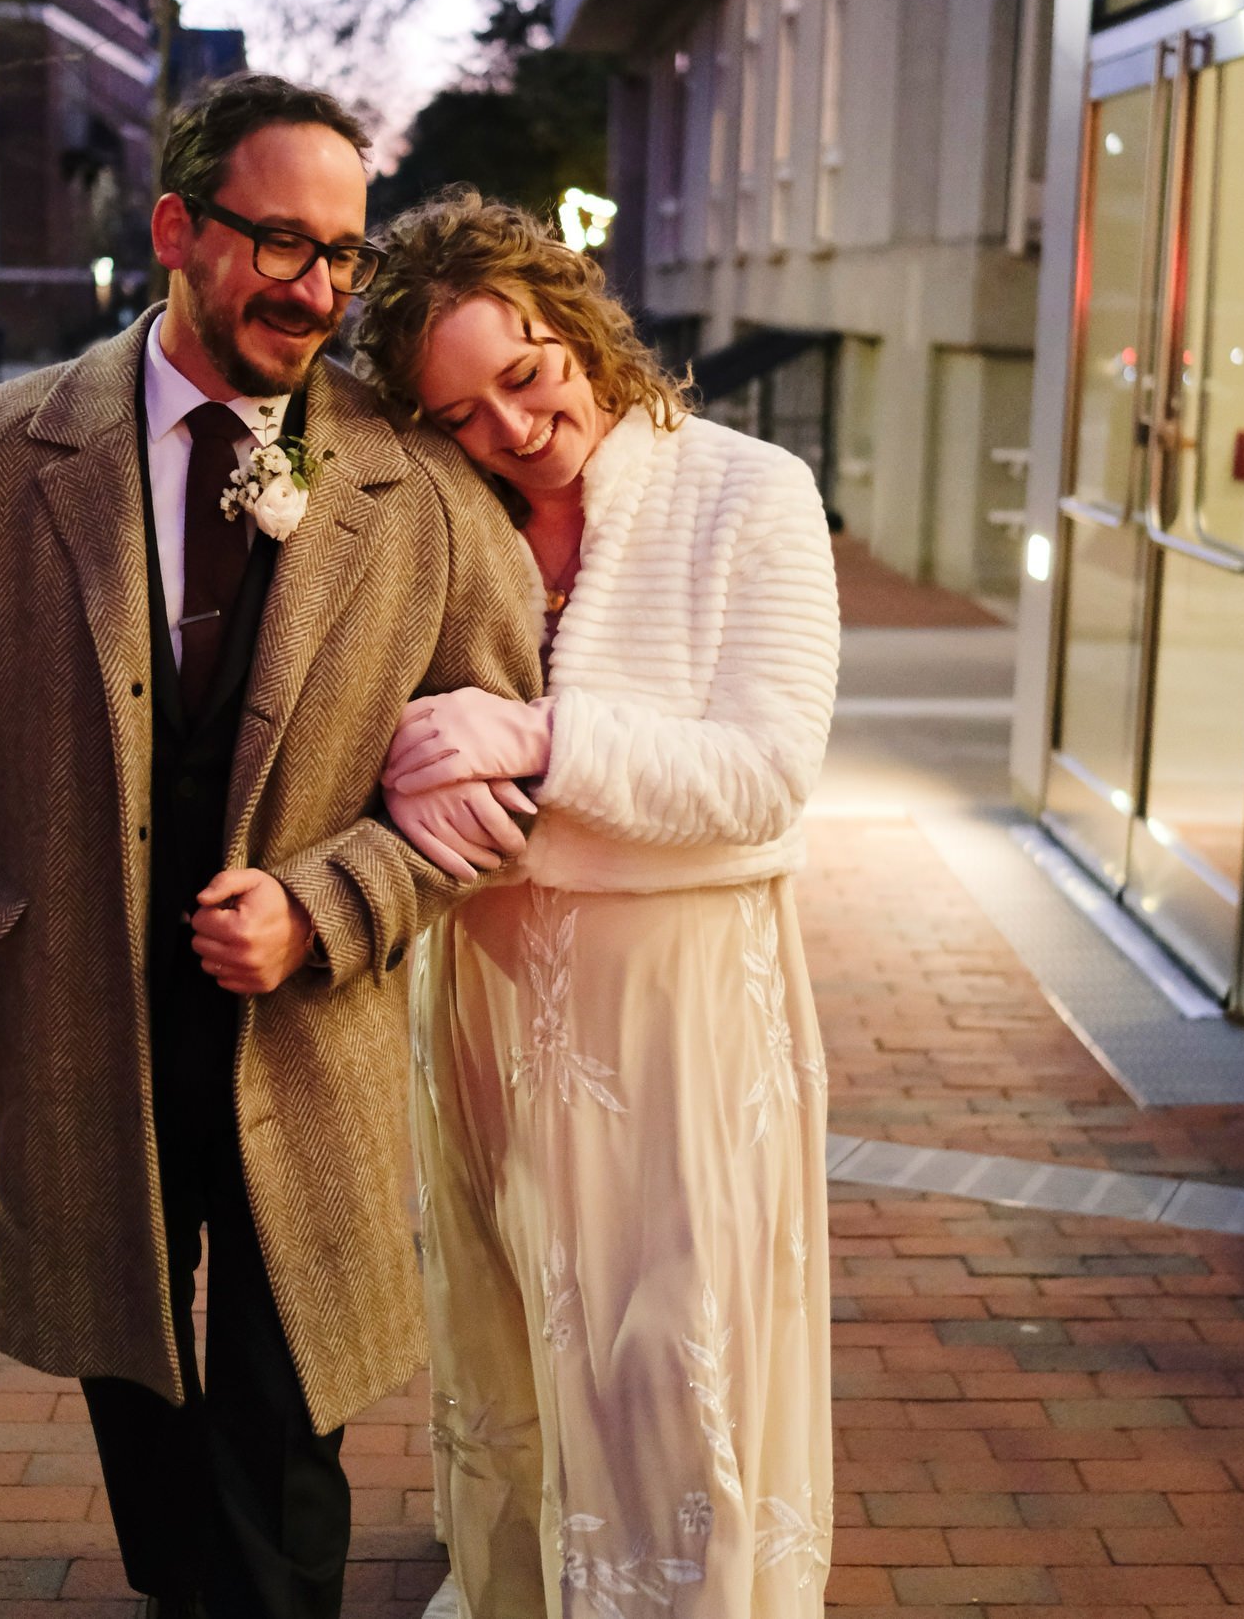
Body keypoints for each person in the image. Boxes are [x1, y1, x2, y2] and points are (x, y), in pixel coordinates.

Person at [0, 81, 542, 1619]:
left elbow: (500, 779)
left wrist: (328, 904)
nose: (317, 286)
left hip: (308, 1028)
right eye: (280, 240)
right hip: (82, 1011)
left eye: (343, 253)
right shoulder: (9, 451)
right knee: (137, 1378)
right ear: (178, 229)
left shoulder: (416, 482)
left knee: (289, 1411)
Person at [350, 188, 841, 1617]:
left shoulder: (748, 490)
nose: (510, 427)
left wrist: (537, 739)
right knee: (507, 1318)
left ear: (576, 329)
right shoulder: (444, 520)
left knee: (666, 1348)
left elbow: (764, 773)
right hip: (490, 991)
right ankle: (522, 1586)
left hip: (674, 997)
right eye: (461, 414)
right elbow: (371, 728)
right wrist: (413, 779)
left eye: (527, 373)